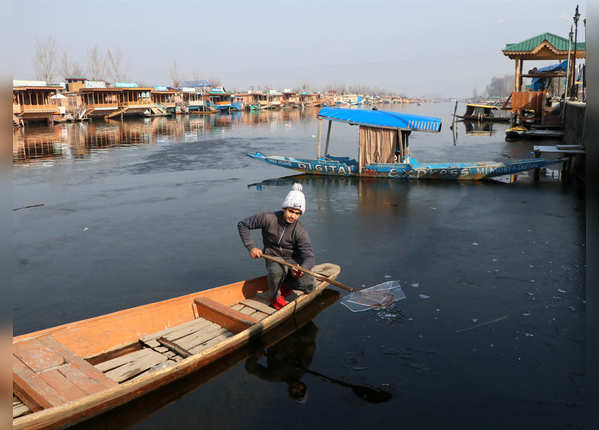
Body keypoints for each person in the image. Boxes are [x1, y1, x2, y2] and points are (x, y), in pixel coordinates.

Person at [238, 183, 316, 309]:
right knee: (276, 271)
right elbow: (243, 225)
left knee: (310, 285)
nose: (293, 216)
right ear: (285, 208)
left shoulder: (300, 231)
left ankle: (285, 284)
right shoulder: (268, 218)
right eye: (291, 211)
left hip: (292, 261)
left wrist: (302, 268)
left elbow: (309, 256)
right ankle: (275, 296)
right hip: (273, 256)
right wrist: (251, 247)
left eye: (297, 213)